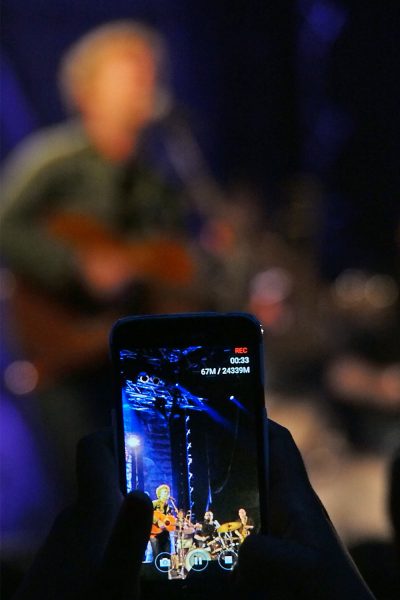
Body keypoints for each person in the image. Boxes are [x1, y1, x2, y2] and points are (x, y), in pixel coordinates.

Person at [0, 21, 201, 501]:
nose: (146, 83)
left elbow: (171, 264)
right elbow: (5, 226)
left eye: (150, 72)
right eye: (129, 72)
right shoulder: (53, 161)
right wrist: (74, 267)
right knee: (84, 493)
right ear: (87, 89)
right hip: (64, 355)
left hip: (132, 357)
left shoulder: (160, 177)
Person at [11, 420, 375, 599]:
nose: (167, 491)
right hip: (156, 539)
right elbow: (158, 521)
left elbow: (187, 525)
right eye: (166, 489)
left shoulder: (179, 510)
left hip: (177, 538)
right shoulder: (155, 505)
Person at [151, 484, 175, 557]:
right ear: (159, 494)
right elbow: (148, 513)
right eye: (165, 491)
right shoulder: (154, 503)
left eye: (168, 492)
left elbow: (169, 520)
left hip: (165, 534)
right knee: (157, 556)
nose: (167, 493)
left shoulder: (170, 507)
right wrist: (158, 521)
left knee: (167, 555)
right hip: (154, 533)